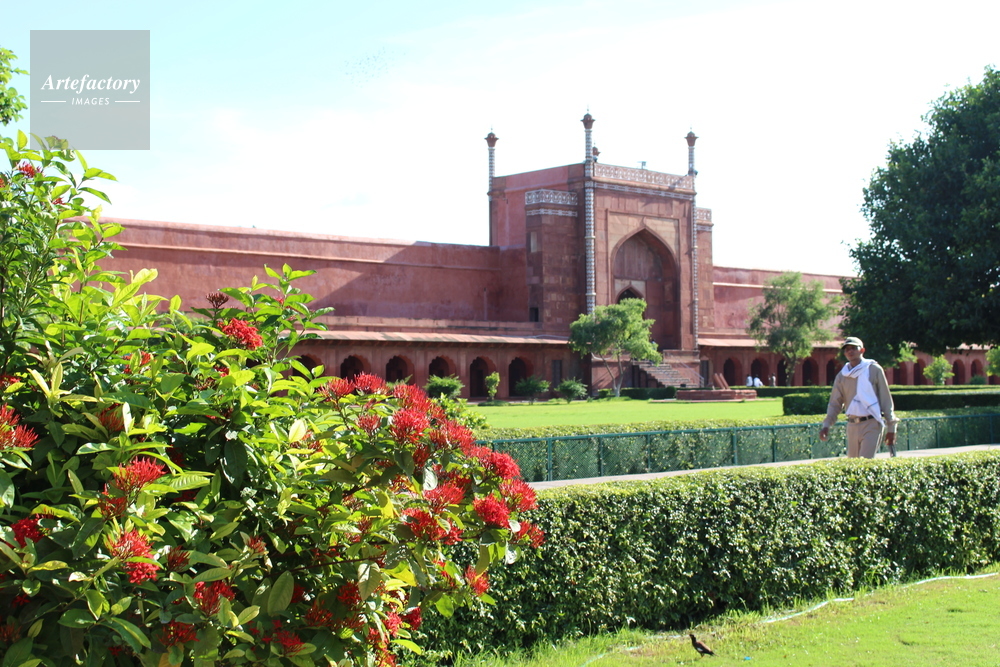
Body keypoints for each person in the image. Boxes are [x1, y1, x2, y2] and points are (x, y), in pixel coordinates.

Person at [818, 337, 897, 458]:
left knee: (865, 462)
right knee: (853, 464)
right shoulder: (842, 375)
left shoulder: (874, 369)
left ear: (862, 350)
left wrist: (891, 428)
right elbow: (835, 403)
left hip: (871, 422)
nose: (850, 351)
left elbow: (885, 399)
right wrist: (826, 425)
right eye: (847, 349)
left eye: (854, 348)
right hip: (852, 425)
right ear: (844, 353)